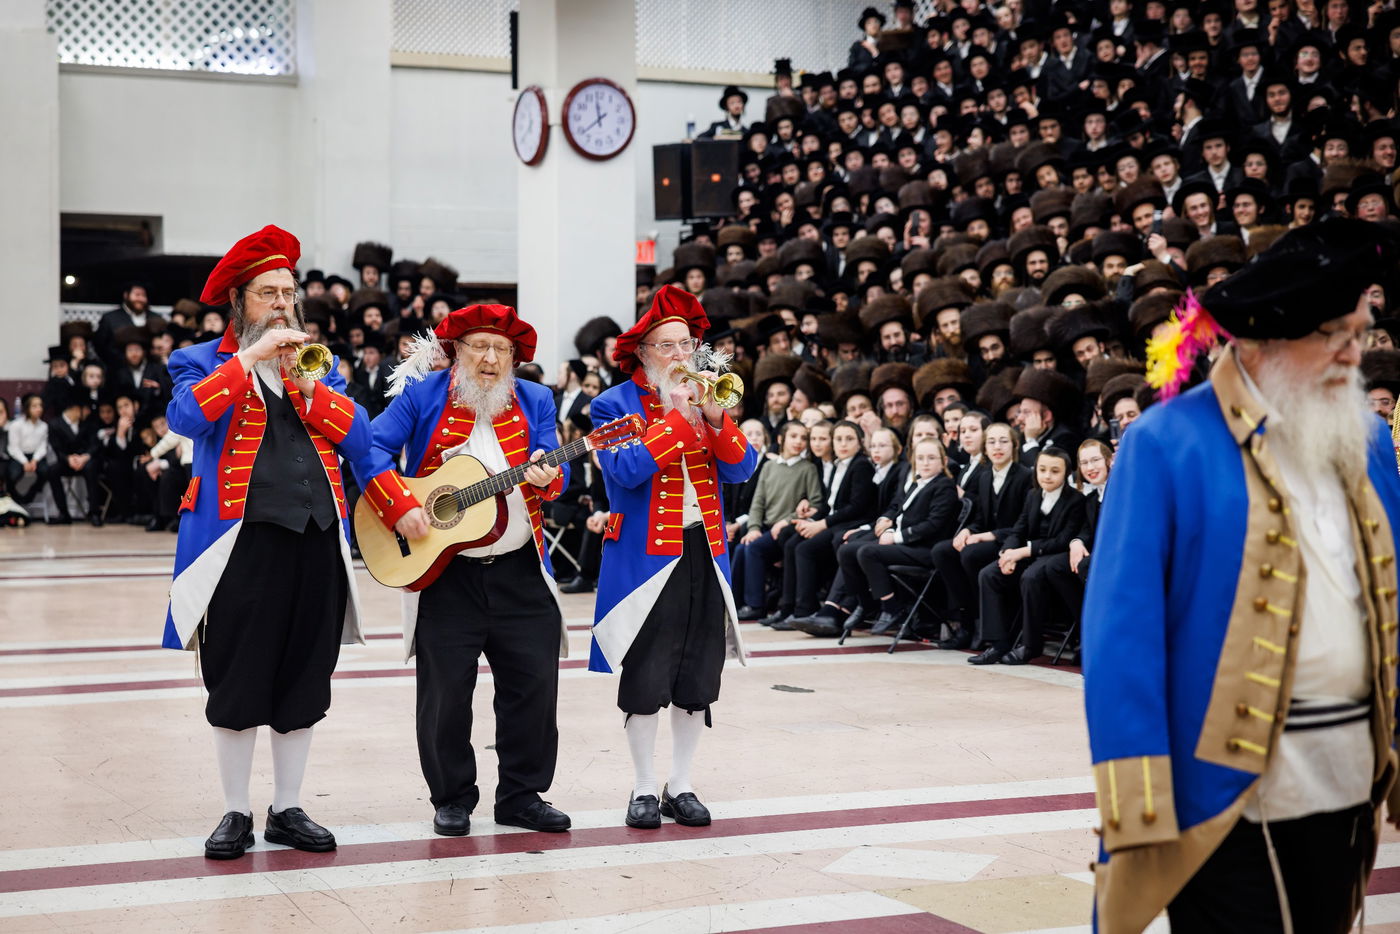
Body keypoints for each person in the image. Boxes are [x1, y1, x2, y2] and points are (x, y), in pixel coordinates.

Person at [1084, 218, 1400, 932]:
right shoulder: (1164, 445)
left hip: (1350, 776)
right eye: (1336, 336)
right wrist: (1138, 801)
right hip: (1223, 799)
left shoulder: (1368, 436)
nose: (1358, 355)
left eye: (1363, 330)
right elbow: (1121, 637)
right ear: (1262, 343)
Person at [161, 225, 374, 861]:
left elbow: (360, 441)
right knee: (237, 676)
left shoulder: (317, 365)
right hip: (239, 546)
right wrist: (249, 361)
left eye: (289, 293)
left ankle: (287, 807)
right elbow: (185, 419)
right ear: (239, 304)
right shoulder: (200, 360)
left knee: (305, 674)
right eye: (267, 294)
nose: (282, 305)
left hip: (315, 538)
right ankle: (234, 810)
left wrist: (308, 388)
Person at [359, 304, 572, 838]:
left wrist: (549, 477)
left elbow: (552, 466)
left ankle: (522, 796)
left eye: (502, 350)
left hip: (521, 568)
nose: (491, 358)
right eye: (480, 346)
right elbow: (370, 449)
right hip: (446, 571)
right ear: (455, 351)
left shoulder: (538, 400)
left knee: (533, 686)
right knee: (445, 694)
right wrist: (398, 503)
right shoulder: (422, 395)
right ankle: (451, 797)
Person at [587, 284, 758, 830]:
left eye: (687, 344)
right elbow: (626, 471)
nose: (682, 356)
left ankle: (680, 783)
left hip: (703, 552)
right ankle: (642, 786)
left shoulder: (710, 397)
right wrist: (678, 420)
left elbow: (742, 470)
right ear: (643, 353)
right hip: (644, 561)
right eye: (668, 346)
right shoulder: (611, 404)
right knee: (644, 676)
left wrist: (712, 417)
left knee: (697, 676)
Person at [970, 446, 1086, 665]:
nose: (1047, 476)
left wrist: (1022, 552)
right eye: (1042, 470)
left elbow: (1062, 541)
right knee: (989, 574)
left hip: (1053, 557)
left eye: (1054, 471)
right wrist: (1006, 554)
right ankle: (998, 643)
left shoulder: (1076, 500)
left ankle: (1031, 646)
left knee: (1031, 577)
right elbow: (1018, 529)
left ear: (1066, 474)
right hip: (1028, 556)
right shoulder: (1033, 495)